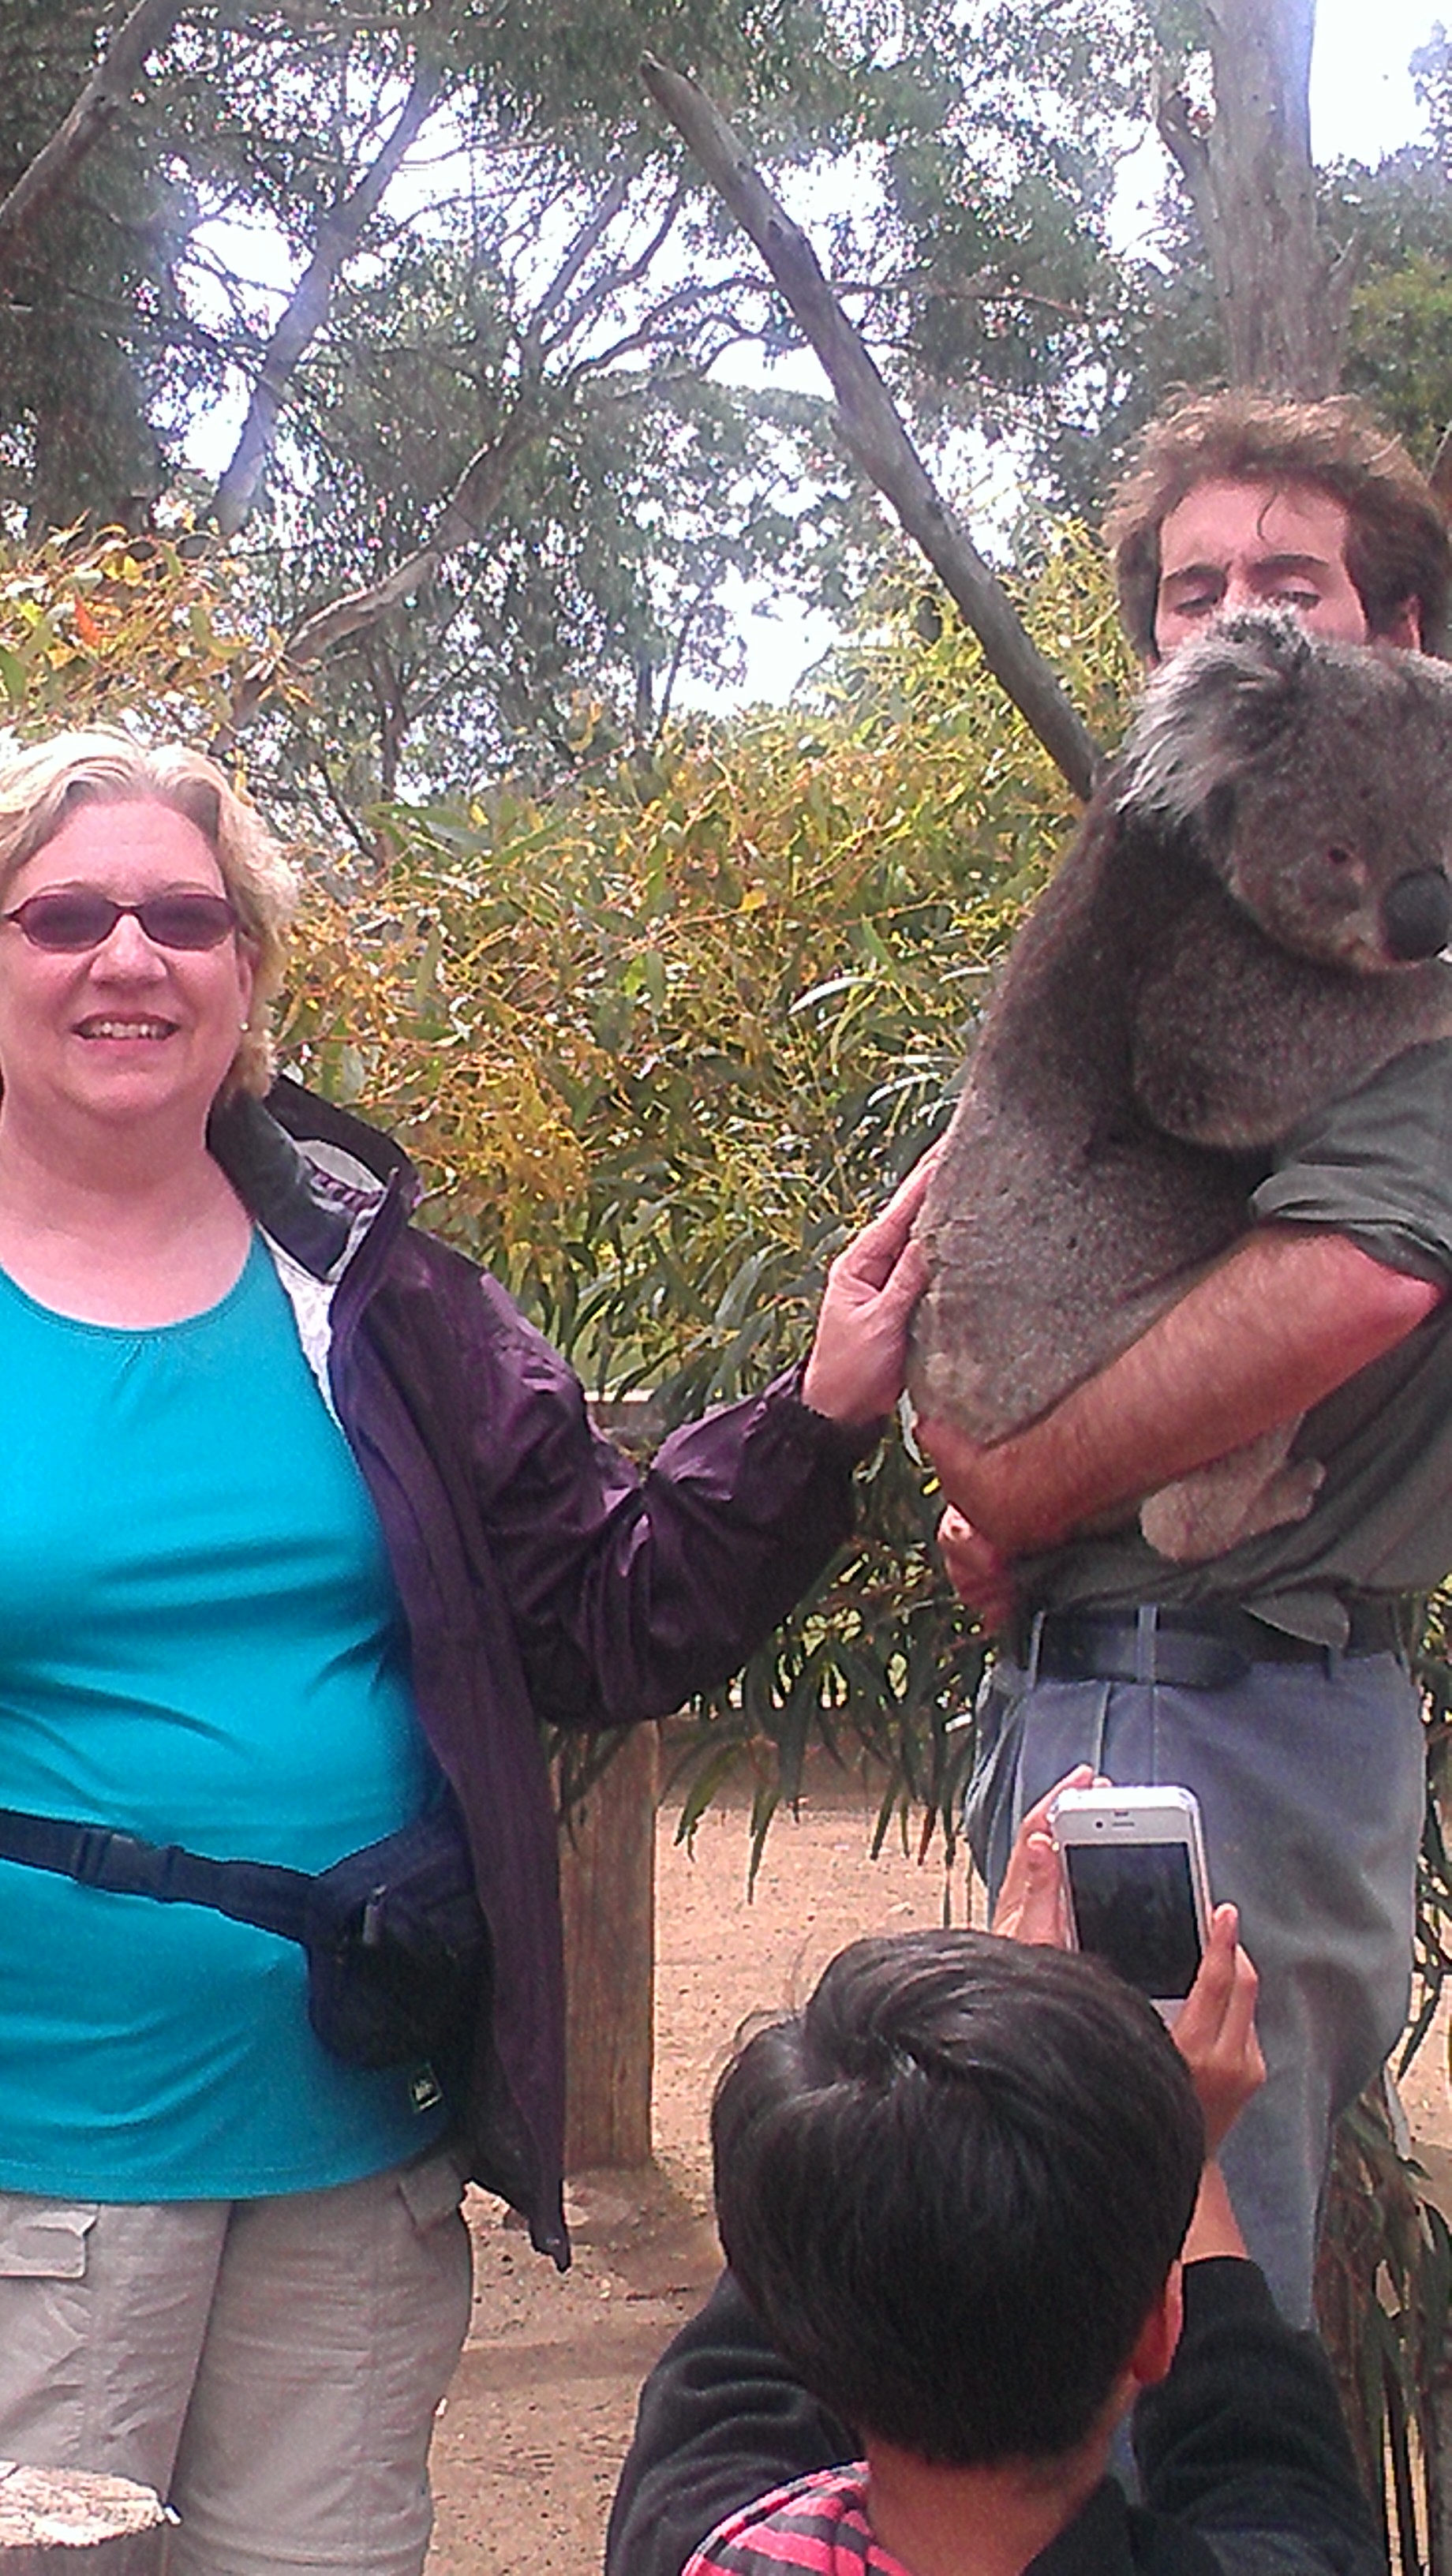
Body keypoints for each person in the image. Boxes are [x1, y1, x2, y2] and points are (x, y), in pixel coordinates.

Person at [0, 728, 930, 2576]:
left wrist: (816, 1417)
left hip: (351, 2135)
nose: (129, 957)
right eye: (65, 914)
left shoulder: (372, 1288)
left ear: (248, 970)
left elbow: (593, 1607)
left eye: (184, 915)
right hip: (39, 2161)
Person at [917, 388, 1452, 2323]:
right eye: (1192, 589)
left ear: (1398, 625)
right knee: (1121, 2262)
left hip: (1207, 1683)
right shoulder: (1183, 858)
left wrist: (1003, 1479)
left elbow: (1348, 1287)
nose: (1240, 621)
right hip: (1127, 1680)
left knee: (1158, 2270)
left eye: (1288, 583)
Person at [605, 1780, 1382, 2576]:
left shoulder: (696, 2544)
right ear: (1158, 2329)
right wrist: (1175, 2142)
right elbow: (1272, 2475)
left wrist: (969, 2079)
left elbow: (742, 2362)